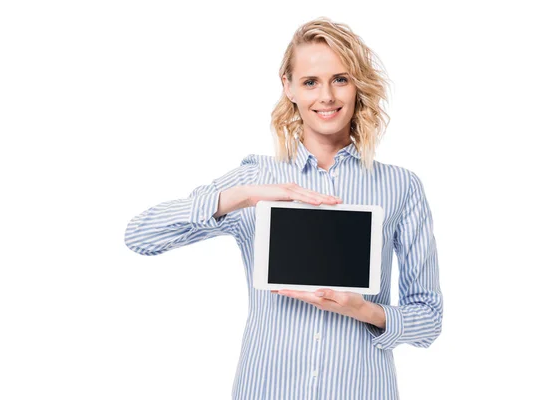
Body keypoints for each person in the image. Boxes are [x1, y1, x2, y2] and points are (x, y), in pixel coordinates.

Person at [124, 16, 443, 400]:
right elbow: (140, 236)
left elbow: (428, 317)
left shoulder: (400, 186)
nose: (326, 96)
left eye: (340, 79)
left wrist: (366, 311)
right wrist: (240, 197)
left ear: (358, 84)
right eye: (310, 82)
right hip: (267, 388)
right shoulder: (256, 178)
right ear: (288, 87)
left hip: (361, 389)